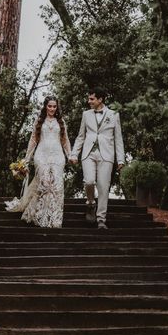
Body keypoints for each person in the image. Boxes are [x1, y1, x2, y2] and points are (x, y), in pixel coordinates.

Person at [5, 96, 71, 228]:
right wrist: (26, 159)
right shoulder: (39, 121)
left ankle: (54, 218)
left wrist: (70, 155)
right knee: (45, 182)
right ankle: (40, 216)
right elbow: (33, 140)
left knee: (56, 186)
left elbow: (65, 141)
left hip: (58, 156)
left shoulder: (61, 122)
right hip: (41, 155)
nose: (52, 109)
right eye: (49, 106)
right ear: (45, 106)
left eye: (54, 106)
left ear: (57, 107)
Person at [69, 87, 125, 229]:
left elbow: (118, 139)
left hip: (106, 155)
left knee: (103, 187)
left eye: (92, 99)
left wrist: (120, 159)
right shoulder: (86, 114)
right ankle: (90, 203)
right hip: (88, 153)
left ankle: (101, 219)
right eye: (89, 99)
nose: (89, 101)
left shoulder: (113, 115)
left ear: (100, 99)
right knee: (88, 181)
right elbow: (81, 136)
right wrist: (74, 153)